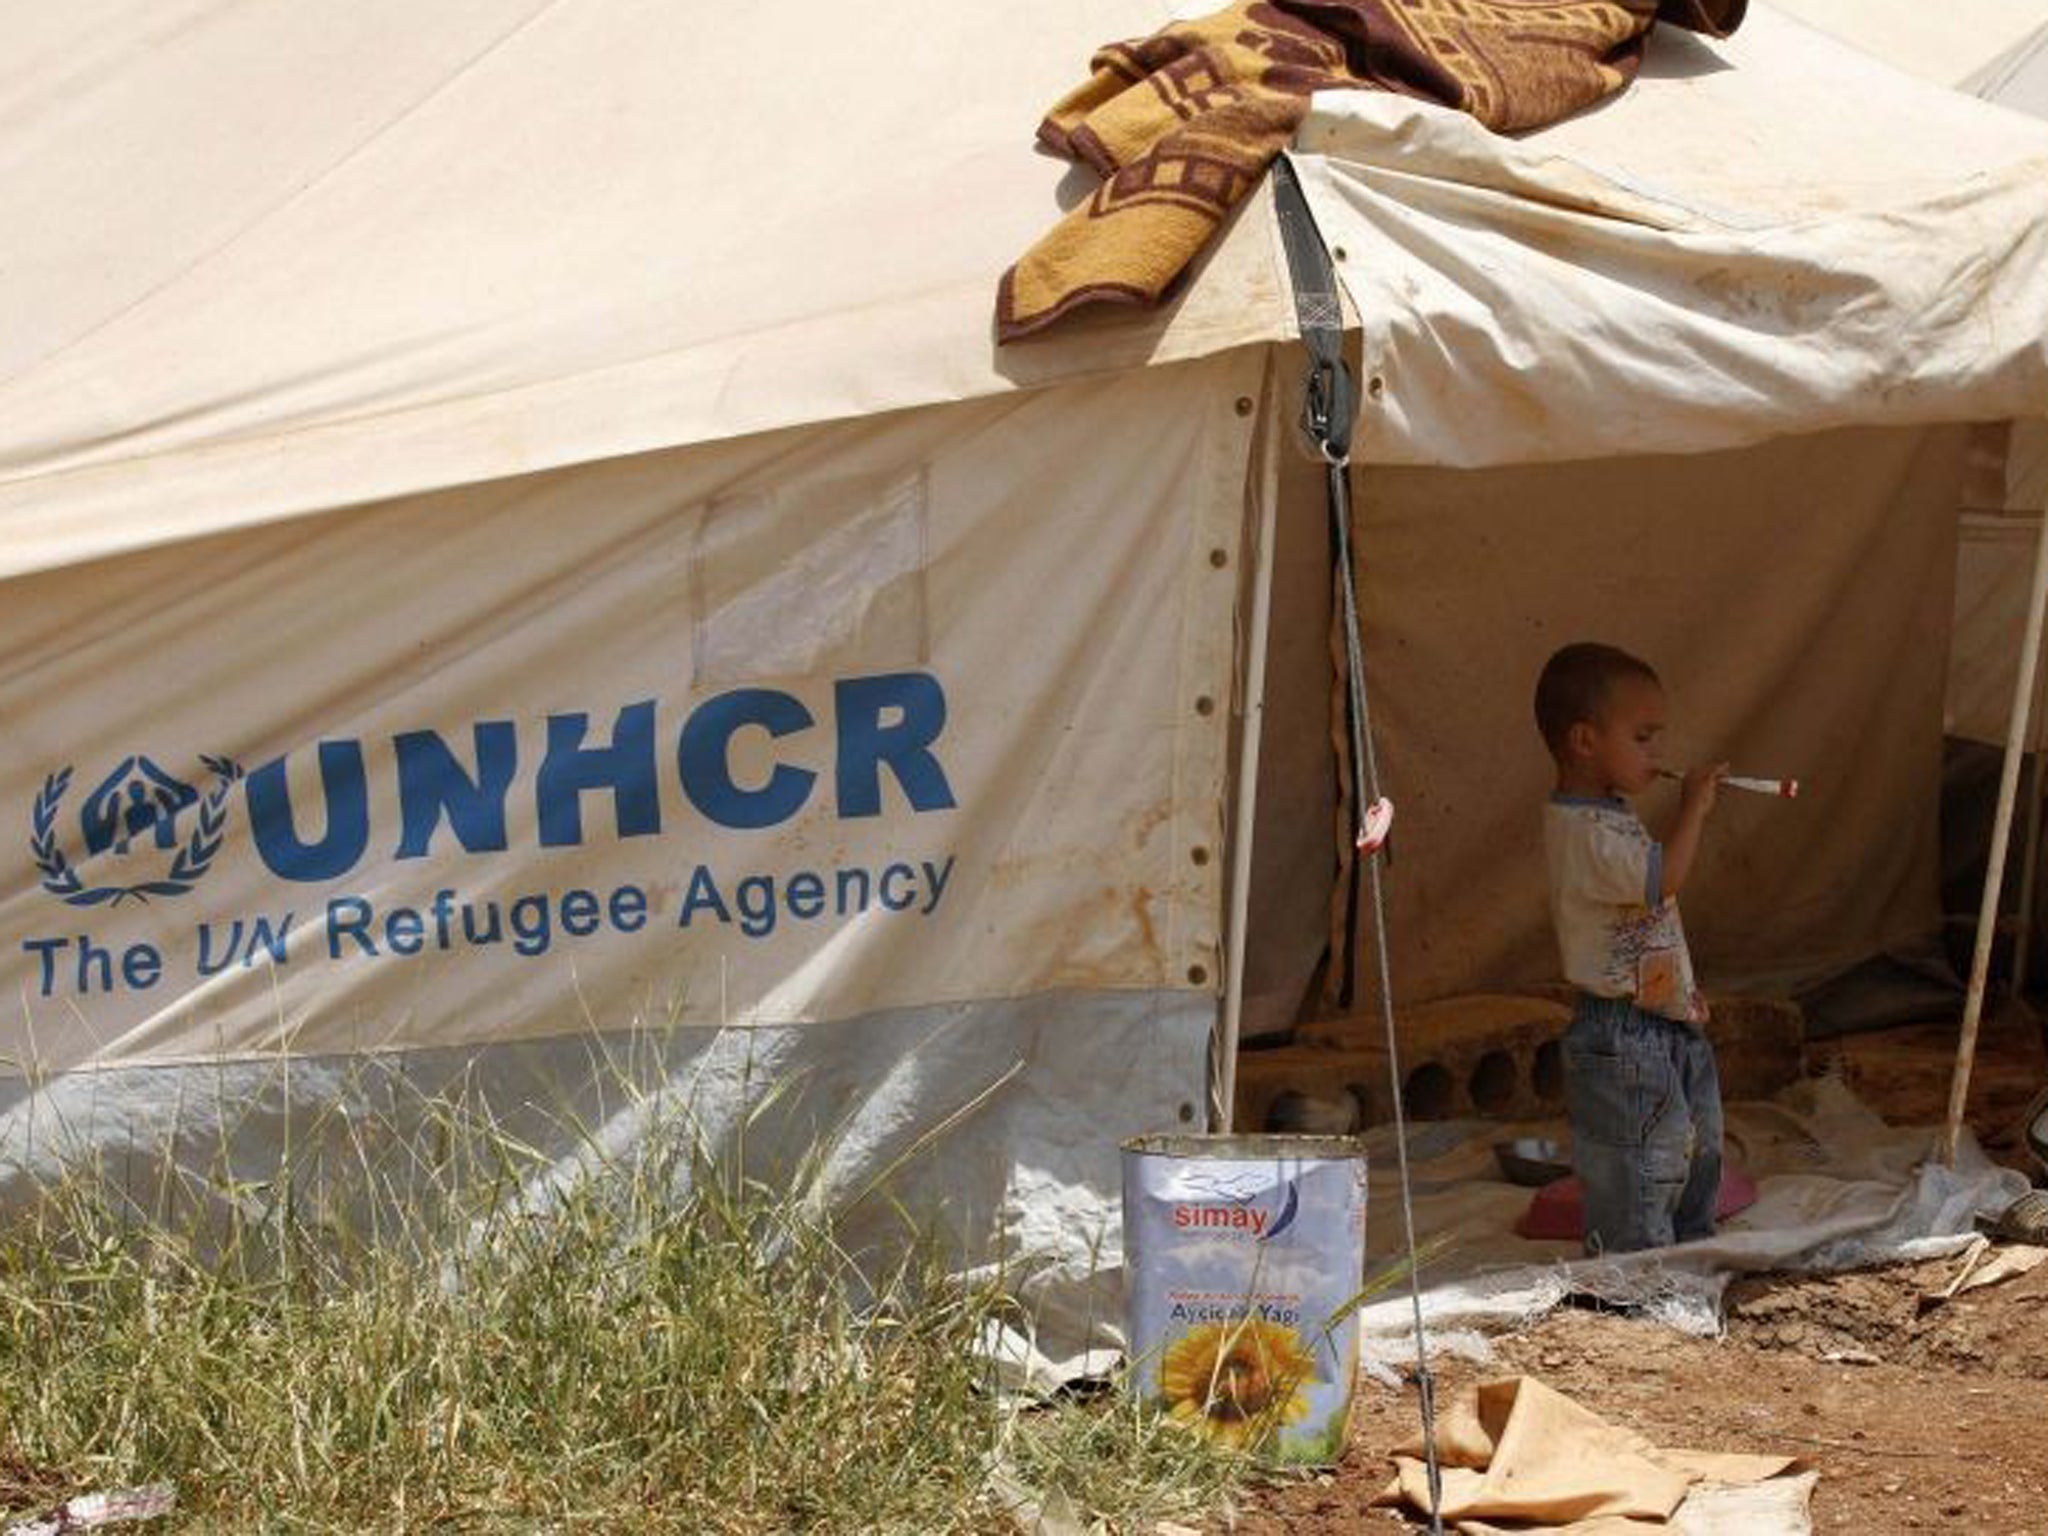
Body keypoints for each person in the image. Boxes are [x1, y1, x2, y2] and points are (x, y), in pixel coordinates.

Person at [1533, 642, 1727, 1255]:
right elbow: (1661, 883)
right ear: (1586, 741)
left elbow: (1651, 928)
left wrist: (1682, 994)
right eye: (1644, 738)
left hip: (1660, 1019)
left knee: (1698, 1141)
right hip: (1620, 1032)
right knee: (1645, 1156)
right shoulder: (1583, 831)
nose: (1658, 755)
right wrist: (1693, 806)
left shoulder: (1611, 814)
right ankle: (1635, 1266)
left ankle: (1688, 1249)